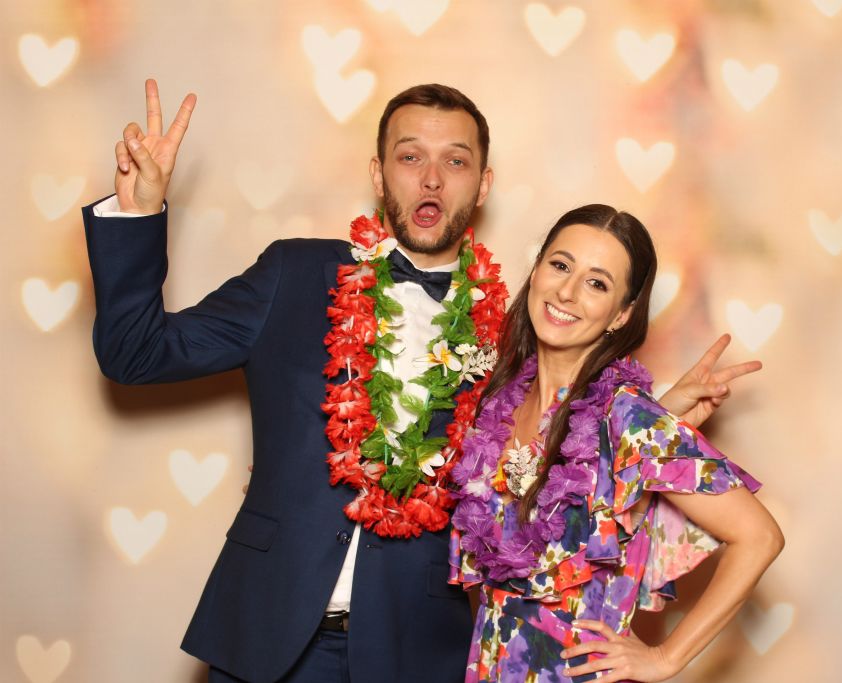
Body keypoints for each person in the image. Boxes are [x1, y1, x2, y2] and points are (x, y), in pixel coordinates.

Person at [84, 80, 761, 682]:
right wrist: (139, 214)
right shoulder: (293, 274)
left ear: (483, 185)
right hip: (264, 627)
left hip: (416, 648)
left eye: (455, 161)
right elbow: (134, 354)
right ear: (378, 174)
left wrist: (657, 420)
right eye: (410, 157)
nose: (432, 179)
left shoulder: (513, 330)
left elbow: (547, 455)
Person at [449, 205, 784, 682]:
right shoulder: (501, 402)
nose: (567, 292)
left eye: (597, 283)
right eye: (560, 265)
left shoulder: (628, 418)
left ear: (622, 314)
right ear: (537, 270)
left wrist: (665, 658)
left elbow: (759, 536)